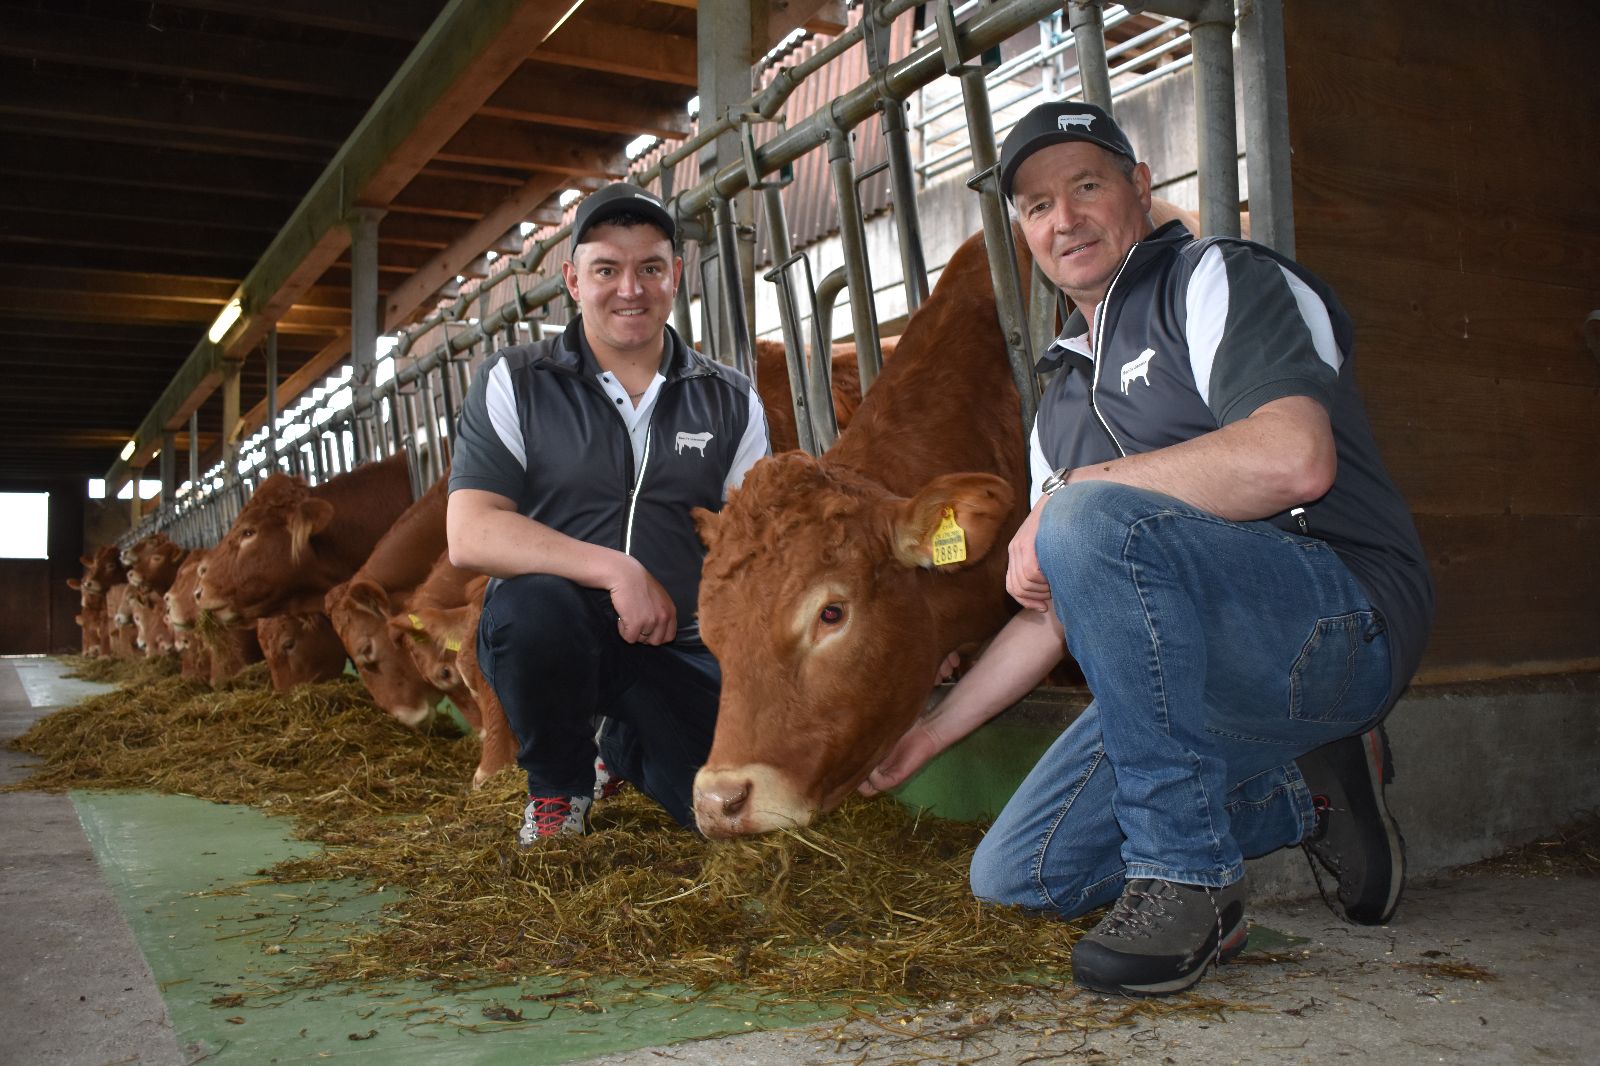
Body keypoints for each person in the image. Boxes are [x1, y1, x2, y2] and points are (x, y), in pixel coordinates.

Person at [861, 102, 1434, 997]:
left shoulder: (1214, 280)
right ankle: (1311, 790)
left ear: (1139, 187)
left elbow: (1296, 458)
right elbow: (1054, 612)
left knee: (1083, 516)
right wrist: (926, 736)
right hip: (1194, 678)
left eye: (1086, 186)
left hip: (1333, 622)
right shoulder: (1058, 397)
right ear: (1023, 230)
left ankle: (1190, 884)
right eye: (1037, 206)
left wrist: (1074, 499)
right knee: (1018, 880)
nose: (1065, 219)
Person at [447, 182, 769, 844]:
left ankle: (621, 746)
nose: (631, 289)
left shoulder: (731, 400)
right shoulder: (517, 380)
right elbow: (470, 531)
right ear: (572, 279)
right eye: (606, 270)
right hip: (558, 629)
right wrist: (616, 570)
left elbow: (758, 544)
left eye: (650, 268)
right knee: (531, 609)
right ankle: (559, 789)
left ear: (676, 276)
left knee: (732, 822)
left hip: (678, 644)